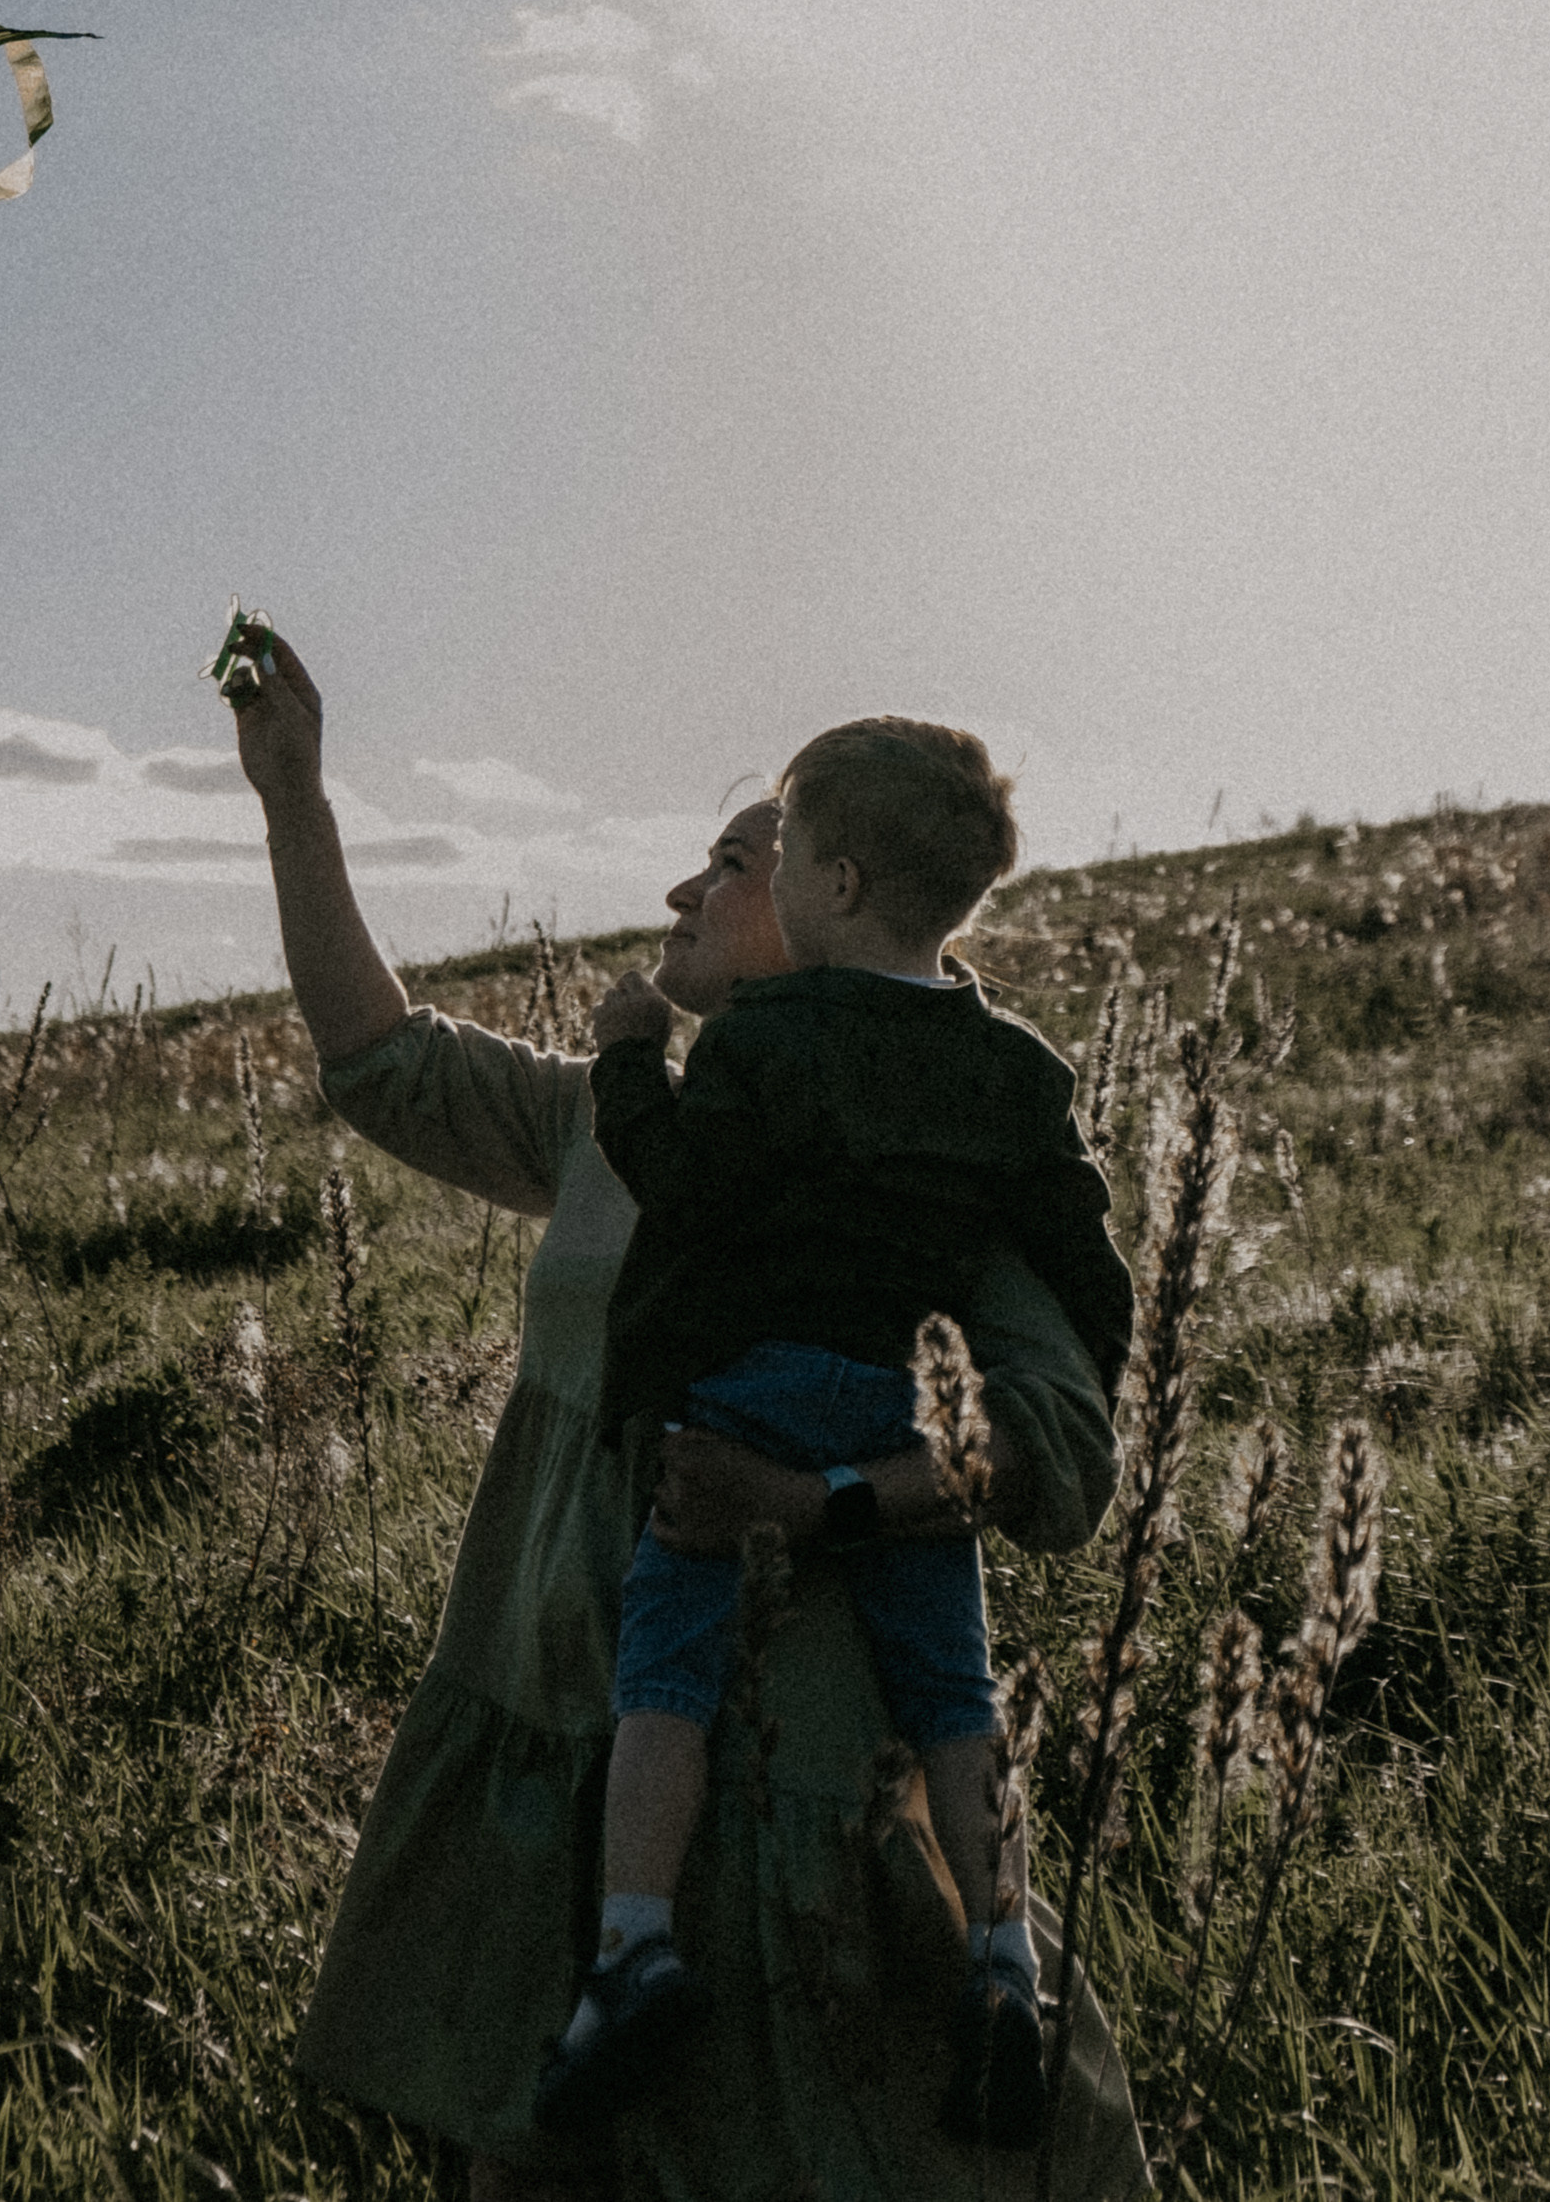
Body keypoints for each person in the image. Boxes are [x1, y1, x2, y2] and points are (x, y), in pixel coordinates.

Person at [227, 631, 1152, 2202]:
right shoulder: (633, 1117)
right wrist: (294, 798)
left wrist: (815, 1505)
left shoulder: (934, 1176)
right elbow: (384, 1064)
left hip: (787, 1785)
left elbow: (1056, 1457)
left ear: (833, 903)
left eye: (734, 863)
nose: (686, 891)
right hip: (556, 1730)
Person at [534, 718, 1132, 2155]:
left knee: (666, 1668)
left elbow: (683, 1188)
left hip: (751, 1396)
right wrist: (1093, 1369)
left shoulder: (766, 1038)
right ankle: (1003, 1963)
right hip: (898, 1404)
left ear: (842, 883)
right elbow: (1087, 1259)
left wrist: (629, 1061)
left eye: (785, 850)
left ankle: (630, 1946)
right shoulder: (1018, 1070)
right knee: (955, 1698)